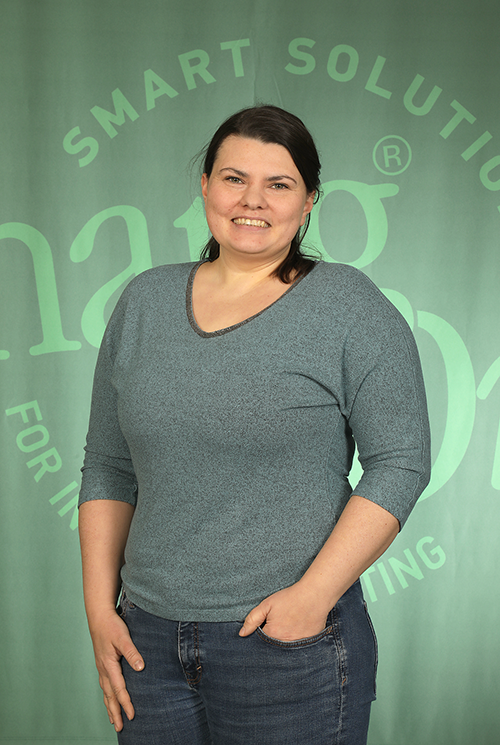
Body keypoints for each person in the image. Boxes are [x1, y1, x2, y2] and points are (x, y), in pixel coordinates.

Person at [78, 105, 431, 745]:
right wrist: (100, 611)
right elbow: (108, 466)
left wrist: (311, 598)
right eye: (234, 178)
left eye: (279, 184)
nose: (253, 201)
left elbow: (401, 462)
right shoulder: (144, 301)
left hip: (288, 644)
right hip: (145, 642)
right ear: (205, 186)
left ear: (310, 200)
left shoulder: (349, 305)